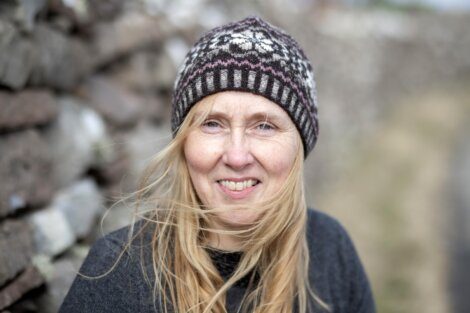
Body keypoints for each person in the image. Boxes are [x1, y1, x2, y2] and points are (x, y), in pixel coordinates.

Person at [59, 16, 375, 313]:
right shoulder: (119, 272)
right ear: (184, 141)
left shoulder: (330, 250)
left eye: (264, 126)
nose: (237, 157)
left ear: (300, 145)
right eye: (213, 124)